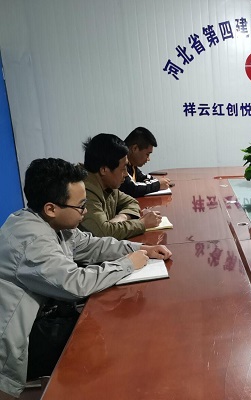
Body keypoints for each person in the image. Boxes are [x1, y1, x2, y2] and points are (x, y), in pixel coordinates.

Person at [0, 158, 172, 399]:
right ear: (51, 208)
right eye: (81, 206)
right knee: (96, 341)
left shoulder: (49, 222)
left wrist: (140, 249)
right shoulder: (31, 239)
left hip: (44, 313)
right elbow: (75, 284)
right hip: (22, 335)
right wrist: (127, 264)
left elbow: (92, 245)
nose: (86, 212)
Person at [80, 133, 162, 240]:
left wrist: (121, 217)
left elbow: (132, 202)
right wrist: (142, 223)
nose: (126, 174)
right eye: (123, 169)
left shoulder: (107, 184)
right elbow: (104, 233)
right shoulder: (83, 191)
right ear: (104, 170)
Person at [119, 127, 170, 197]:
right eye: (147, 154)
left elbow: (144, 177)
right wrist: (157, 185)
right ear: (135, 148)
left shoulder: (132, 164)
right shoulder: (119, 162)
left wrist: (157, 183)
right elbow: (133, 188)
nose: (148, 159)